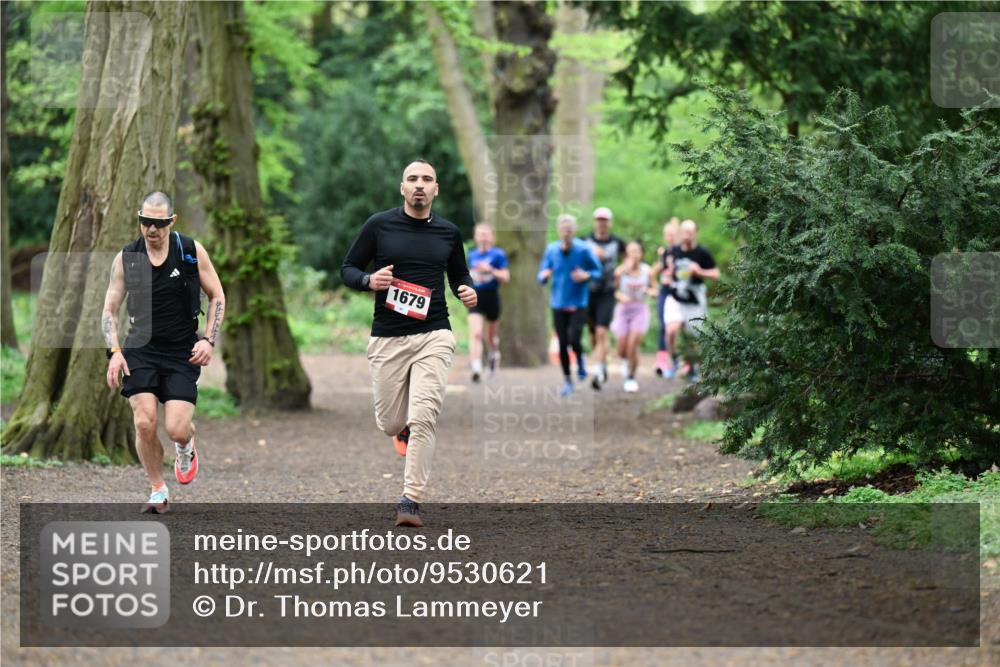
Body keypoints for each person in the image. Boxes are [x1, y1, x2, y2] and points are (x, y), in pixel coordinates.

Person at [341, 159, 477, 528]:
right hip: (388, 337)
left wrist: (467, 289)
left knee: (423, 418)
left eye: (427, 179)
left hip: (435, 333)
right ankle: (401, 429)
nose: (420, 185)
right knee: (389, 422)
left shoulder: (448, 233)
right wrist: (369, 281)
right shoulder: (379, 225)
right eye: (413, 179)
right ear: (402, 188)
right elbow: (348, 268)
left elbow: (459, 273)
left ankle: (410, 500)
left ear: (436, 190)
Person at [103, 191, 226, 514]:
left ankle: (185, 445)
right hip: (139, 350)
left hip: (182, 352)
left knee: (176, 428)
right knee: (144, 422)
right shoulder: (127, 258)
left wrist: (209, 340)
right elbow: (109, 310)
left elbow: (217, 296)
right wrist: (114, 351)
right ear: (139, 218)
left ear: (171, 221)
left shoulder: (189, 251)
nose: (151, 229)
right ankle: (158, 488)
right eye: (145, 221)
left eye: (158, 223)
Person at [538, 214, 602, 397]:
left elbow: (598, 271)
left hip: (578, 302)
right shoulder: (551, 250)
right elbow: (542, 272)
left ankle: (580, 360)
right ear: (559, 230)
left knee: (574, 339)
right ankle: (568, 381)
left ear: (574, 230)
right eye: (563, 229)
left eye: (569, 229)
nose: (566, 232)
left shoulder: (583, 250)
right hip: (558, 302)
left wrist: (586, 276)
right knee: (563, 343)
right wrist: (544, 276)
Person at [662, 219, 720, 383]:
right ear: (680, 233)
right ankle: (674, 362)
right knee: (671, 330)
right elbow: (667, 272)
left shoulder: (702, 252)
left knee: (694, 335)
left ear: (695, 233)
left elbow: (716, 274)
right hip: (676, 295)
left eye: (690, 232)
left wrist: (699, 271)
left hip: (695, 298)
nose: (687, 235)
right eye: (684, 231)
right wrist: (668, 275)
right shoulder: (673, 251)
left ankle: (693, 368)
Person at [583, 206, 626, 390]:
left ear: (609, 223)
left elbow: (630, 258)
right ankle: (603, 363)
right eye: (599, 220)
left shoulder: (617, 242)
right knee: (593, 334)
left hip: (607, 292)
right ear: (595, 222)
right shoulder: (585, 241)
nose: (602, 223)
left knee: (602, 332)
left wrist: (620, 272)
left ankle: (599, 372)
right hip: (587, 292)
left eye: (605, 220)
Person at [611, 240, 656, 392]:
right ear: (626, 254)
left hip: (640, 310)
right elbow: (614, 291)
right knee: (621, 350)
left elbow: (655, 291)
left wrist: (649, 292)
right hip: (623, 310)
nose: (634, 255)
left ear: (641, 254)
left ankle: (631, 377)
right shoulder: (620, 272)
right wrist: (620, 296)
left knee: (633, 344)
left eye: (637, 251)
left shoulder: (647, 271)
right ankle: (625, 362)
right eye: (631, 251)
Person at [466, 223, 509, 382]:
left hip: (492, 296)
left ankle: (492, 355)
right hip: (475, 297)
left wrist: (490, 270)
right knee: (476, 333)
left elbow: (506, 277)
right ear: (475, 237)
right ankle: (476, 367)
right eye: (480, 234)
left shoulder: (498, 254)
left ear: (492, 237)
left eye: (486, 234)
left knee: (490, 336)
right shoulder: (471, 255)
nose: (483, 237)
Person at [654, 217, 681, 377]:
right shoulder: (663, 252)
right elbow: (656, 271)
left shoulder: (681, 251)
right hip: (664, 291)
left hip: (678, 292)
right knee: (663, 325)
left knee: (677, 328)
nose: (669, 237)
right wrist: (654, 285)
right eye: (667, 234)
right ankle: (662, 361)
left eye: (672, 234)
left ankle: (681, 360)